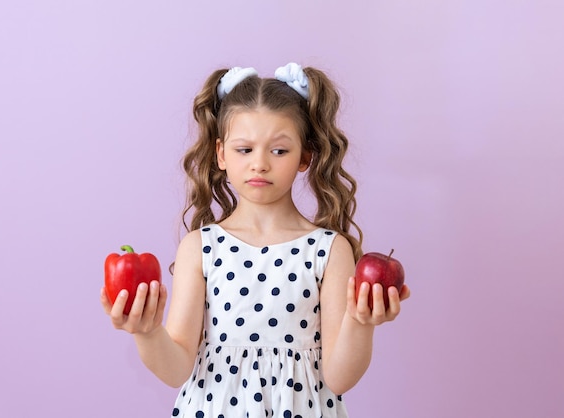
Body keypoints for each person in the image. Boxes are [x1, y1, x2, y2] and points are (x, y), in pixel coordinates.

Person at [101, 62, 411, 417]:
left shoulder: (328, 250)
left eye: (279, 151)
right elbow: (176, 370)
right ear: (221, 154)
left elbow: (338, 379)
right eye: (244, 149)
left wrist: (361, 323)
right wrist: (147, 332)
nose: (260, 164)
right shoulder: (200, 248)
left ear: (304, 157)